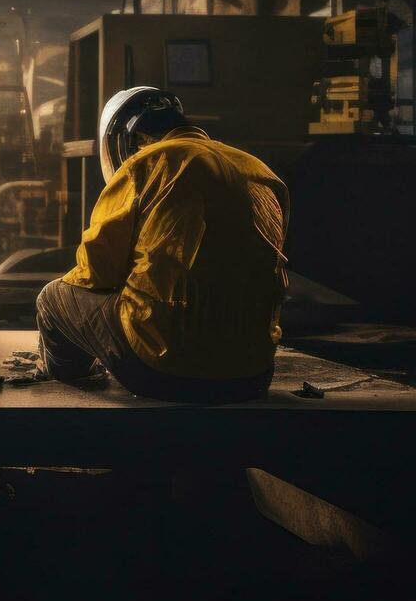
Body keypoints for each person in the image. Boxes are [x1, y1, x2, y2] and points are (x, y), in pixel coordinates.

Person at [36, 87, 288, 403]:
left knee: (52, 297)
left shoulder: (147, 163)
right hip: (253, 373)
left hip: (161, 370)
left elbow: (95, 272)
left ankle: (74, 382)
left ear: (138, 138)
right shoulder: (260, 170)